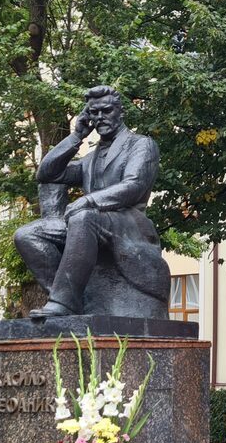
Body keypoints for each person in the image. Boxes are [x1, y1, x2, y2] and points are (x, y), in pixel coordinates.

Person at [14, 85, 170, 318]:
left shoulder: (141, 144)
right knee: (27, 235)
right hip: (88, 222)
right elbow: (46, 174)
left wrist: (87, 201)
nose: (100, 117)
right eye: (94, 112)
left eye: (106, 111)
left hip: (128, 223)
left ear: (120, 112)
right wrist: (76, 136)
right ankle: (73, 301)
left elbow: (134, 185)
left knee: (84, 216)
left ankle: (62, 302)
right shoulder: (90, 159)